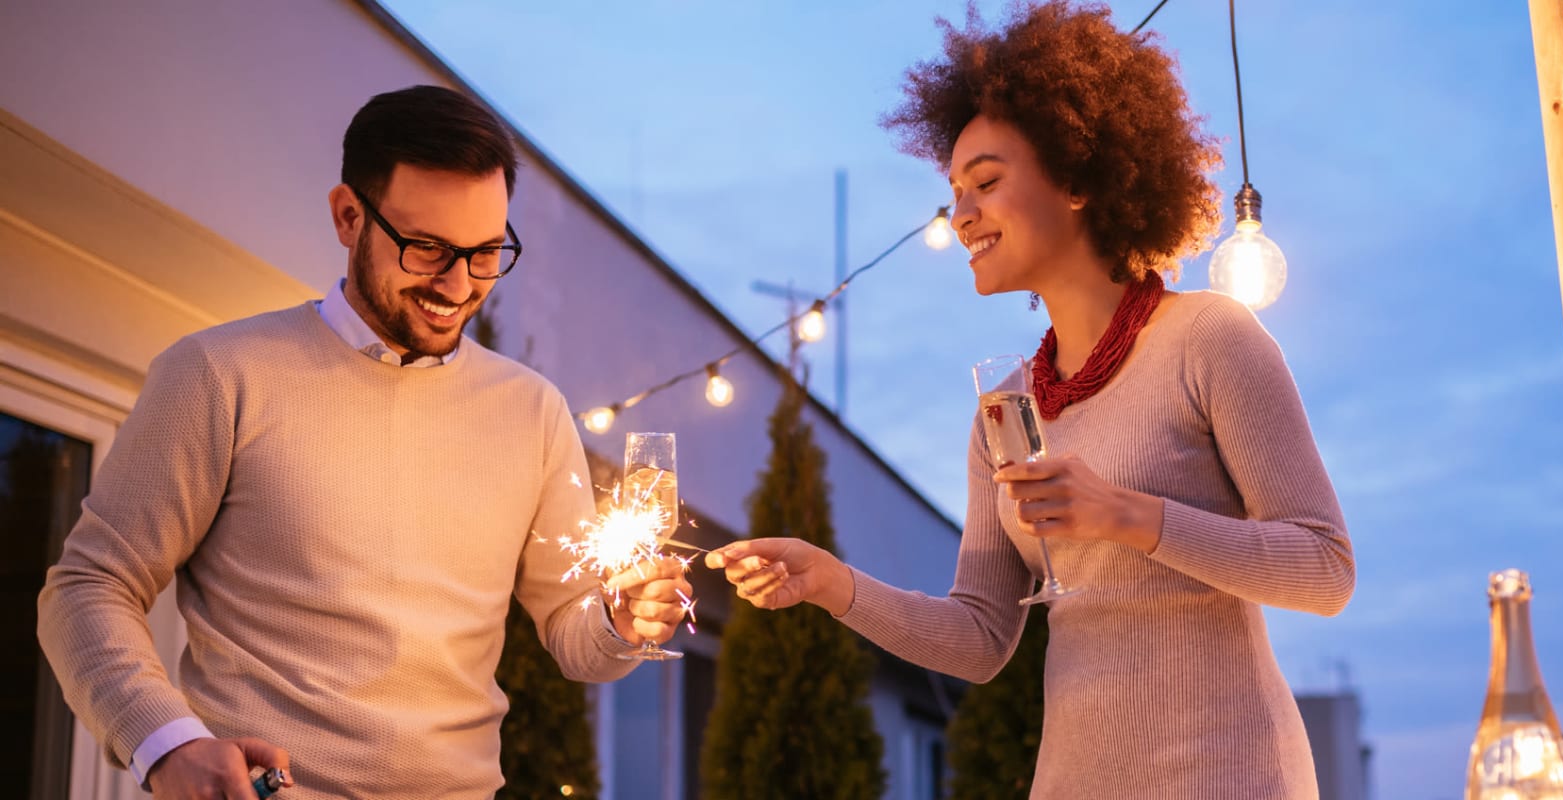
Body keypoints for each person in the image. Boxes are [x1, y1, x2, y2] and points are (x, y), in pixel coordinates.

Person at [705, 3, 1357, 797]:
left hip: (1229, 775)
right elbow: (981, 638)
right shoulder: (1004, 414)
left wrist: (1127, 515)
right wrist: (833, 584)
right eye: (954, 192)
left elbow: (1325, 568)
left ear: (1079, 178)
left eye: (985, 182)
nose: (963, 214)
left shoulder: (1209, 337)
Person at [37, 85, 690, 800]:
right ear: (349, 217)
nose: (459, 284)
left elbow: (573, 630)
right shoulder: (220, 375)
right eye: (428, 248)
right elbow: (89, 588)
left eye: (486, 253)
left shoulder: (533, 411)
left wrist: (622, 624)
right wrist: (166, 746)